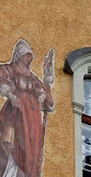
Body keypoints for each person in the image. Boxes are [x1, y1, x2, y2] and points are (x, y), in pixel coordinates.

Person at [0, 40, 54, 177]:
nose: (27, 59)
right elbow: (2, 83)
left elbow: (43, 92)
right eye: (25, 55)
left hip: (32, 116)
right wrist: (11, 96)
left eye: (29, 56)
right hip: (16, 111)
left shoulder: (31, 75)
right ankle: (10, 173)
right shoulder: (10, 69)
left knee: (32, 148)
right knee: (14, 143)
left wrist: (42, 94)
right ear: (19, 55)